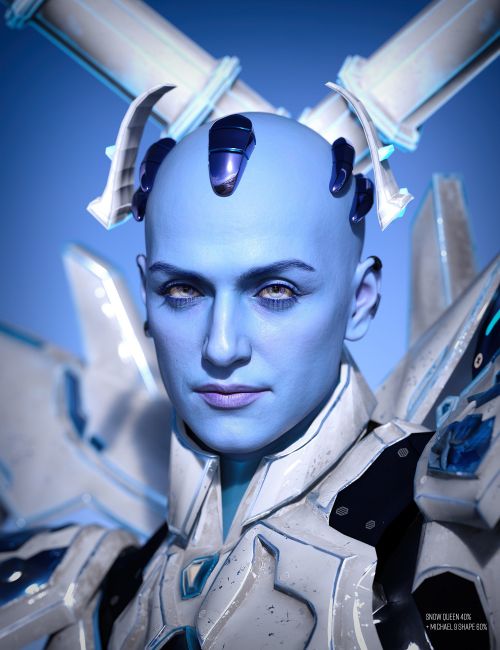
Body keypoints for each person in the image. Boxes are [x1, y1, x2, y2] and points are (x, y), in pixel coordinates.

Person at [1, 90, 498, 650]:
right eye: (182, 290)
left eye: (276, 291)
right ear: (146, 297)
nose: (221, 347)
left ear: (359, 301)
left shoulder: (444, 528)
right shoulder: (109, 594)